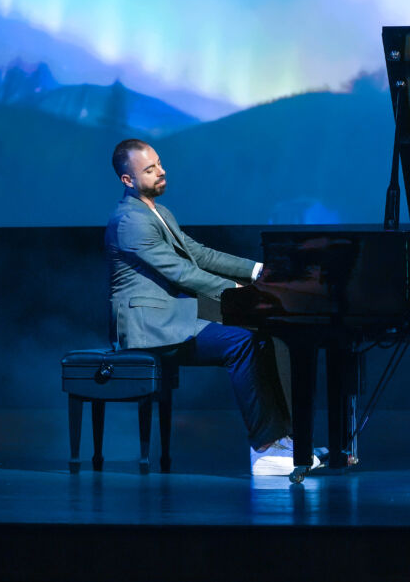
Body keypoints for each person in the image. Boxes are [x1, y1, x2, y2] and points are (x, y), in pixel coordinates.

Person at [106, 138, 309, 476]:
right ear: (127, 180)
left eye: (159, 163)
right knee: (240, 341)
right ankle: (264, 449)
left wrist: (259, 271)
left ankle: (284, 439)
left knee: (266, 332)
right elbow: (181, 272)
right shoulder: (130, 221)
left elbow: (198, 254)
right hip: (151, 327)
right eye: (150, 169)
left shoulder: (157, 210)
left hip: (174, 315)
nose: (161, 172)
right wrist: (238, 291)